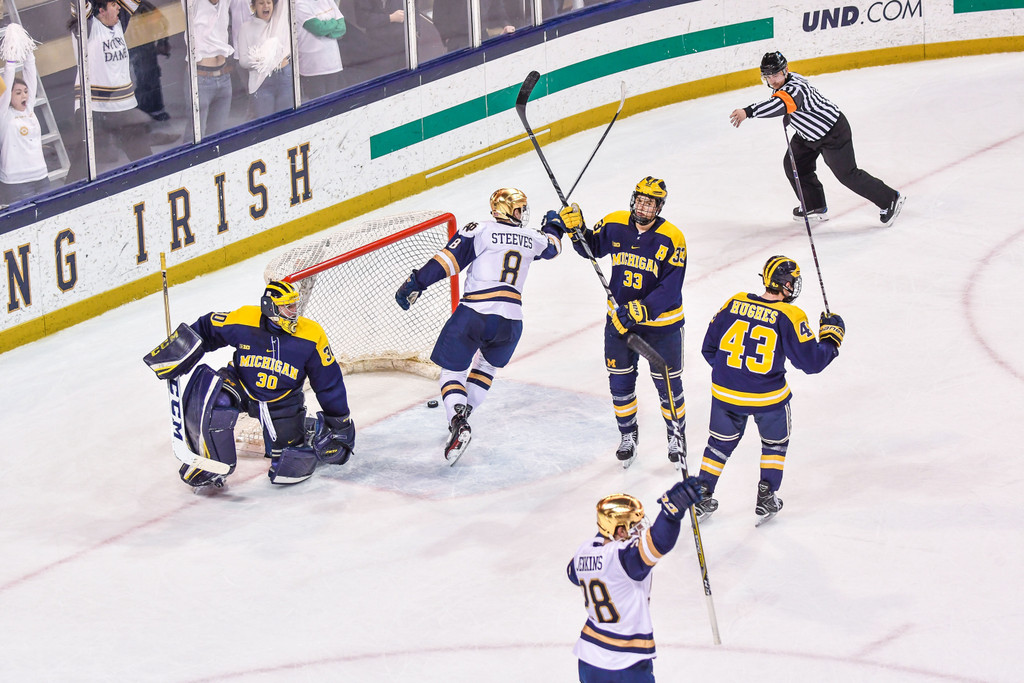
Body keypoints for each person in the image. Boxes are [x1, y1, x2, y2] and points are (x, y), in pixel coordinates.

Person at [394, 188, 563, 464]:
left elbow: (448, 261)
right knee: (485, 368)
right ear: (508, 210)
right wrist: (554, 224)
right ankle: (461, 418)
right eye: (519, 209)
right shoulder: (533, 238)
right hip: (511, 322)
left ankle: (458, 421)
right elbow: (554, 246)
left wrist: (417, 282)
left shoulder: (480, 230)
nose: (522, 214)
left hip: (474, 315)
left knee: (451, 372)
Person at [143, 280, 355, 487]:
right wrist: (180, 348)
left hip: (282, 403)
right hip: (241, 385)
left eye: (294, 306)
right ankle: (211, 462)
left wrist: (340, 422)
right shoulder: (245, 319)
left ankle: (311, 429)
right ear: (271, 308)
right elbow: (209, 327)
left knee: (287, 470)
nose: (294, 312)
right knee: (216, 399)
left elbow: (328, 382)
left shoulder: (311, 334)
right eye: (287, 307)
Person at [695, 255, 845, 524]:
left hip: (725, 394)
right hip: (768, 398)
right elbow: (811, 363)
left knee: (718, 444)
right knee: (775, 444)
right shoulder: (790, 314)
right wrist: (831, 340)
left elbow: (709, 347)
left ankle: (702, 494)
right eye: (792, 282)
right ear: (785, 284)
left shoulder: (735, 301)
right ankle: (766, 496)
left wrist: (732, 375)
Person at [559, 177, 688, 469]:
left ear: (659, 207)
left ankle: (676, 436)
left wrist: (643, 309)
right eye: (641, 200)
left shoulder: (672, 237)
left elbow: (671, 288)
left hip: (661, 326)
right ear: (633, 199)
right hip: (619, 322)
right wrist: (576, 230)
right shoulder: (615, 223)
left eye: (651, 203)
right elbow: (590, 248)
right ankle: (628, 435)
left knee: (667, 384)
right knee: (620, 382)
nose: (644, 207)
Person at [729, 51, 905, 227]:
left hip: (832, 132)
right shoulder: (783, 85)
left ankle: (889, 199)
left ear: (786, 70)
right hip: (807, 135)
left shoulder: (795, 88)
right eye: (768, 76)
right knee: (793, 164)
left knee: (847, 175)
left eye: (775, 74)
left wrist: (748, 111)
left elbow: (779, 104)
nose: (772, 80)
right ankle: (814, 205)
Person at [568, 479, 702, 682]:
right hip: (624, 662)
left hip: (589, 660)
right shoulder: (622, 559)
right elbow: (659, 543)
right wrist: (671, 512)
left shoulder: (583, 552)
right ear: (620, 531)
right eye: (635, 526)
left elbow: (573, 574)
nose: (640, 531)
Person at [66, 0, 180, 179]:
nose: (119, 7)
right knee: (83, 166)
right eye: (113, 4)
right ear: (101, 10)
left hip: (122, 108)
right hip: (93, 109)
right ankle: (68, 202)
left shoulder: (119, 22)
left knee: (143, 159)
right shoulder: (87, 28)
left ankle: (151, 187)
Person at [1, 47, 51, 205]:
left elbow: (31, 76)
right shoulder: (4, 114)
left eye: (25, 92)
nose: (24, 95)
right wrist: (10, 62)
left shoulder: (29, 109)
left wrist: (28, 51)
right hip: (17, 183)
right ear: (9, 97)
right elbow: (6, 87)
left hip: (41, 178)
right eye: (18, 93)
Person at [237, 0, 294, 119]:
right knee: (265, 123)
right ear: (253, 7)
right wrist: (261, 60)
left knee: (286, 122)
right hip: (261, 82)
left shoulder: (279, 20)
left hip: (285, 77)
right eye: (261, 3)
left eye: (269, 2)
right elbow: (242, 61)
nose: (266, 6)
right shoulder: (245, 28)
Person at [188, 0, 235, 137]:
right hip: (200, 78)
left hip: (224, 76)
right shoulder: (193, 4)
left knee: (217, 135)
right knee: (195, 136)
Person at [295, 0, 346, 102]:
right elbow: (318, 29)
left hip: (333, 64)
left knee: (334, 104)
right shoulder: (299, 4)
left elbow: (342, 27)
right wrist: (333, 22)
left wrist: (327, 29)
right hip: (313, 68)